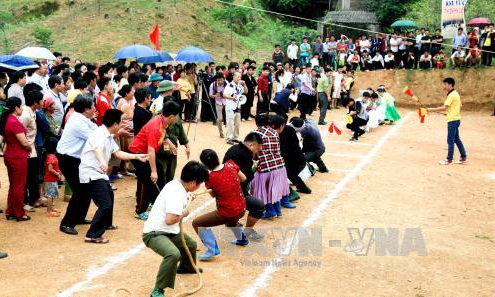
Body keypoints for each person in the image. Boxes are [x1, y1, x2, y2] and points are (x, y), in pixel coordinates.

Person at [80, 109, 149, 244]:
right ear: (115, 124)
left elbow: (117, 153)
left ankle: (106, 223)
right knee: (105, 203)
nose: (122, 125)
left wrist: (136, 156)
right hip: (91, 173)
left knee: (109, 196)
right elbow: (97, 149)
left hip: (98, 173)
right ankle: (93, 235)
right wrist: (102, 162)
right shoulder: (99, 134)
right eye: (120, 122)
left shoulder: (108, 135)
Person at [143, 161, 209, 297]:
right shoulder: (177, 192)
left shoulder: (177, 185)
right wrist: (184, 214)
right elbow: (170, 220)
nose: (199, 186)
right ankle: (158, 290)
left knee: (190, 245)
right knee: (173, 254)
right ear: (193, 183)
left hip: (170, 231)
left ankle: (187, 267)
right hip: (155, 233)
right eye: (199, 183)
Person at [128, 101, 181, 220]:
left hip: (147, 153)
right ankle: (140, 210)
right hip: (139, 154)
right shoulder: (155, 126)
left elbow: (163, 135)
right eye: (178, 115)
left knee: (160, 175)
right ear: (172, 116)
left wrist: (170, 144)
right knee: (146, 180)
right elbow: (151, 150)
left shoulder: (162, 120)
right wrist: (153, 171)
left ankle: (155, 202)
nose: (178, 118)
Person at [193, 149, 249, 261]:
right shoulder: (231, 165)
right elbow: (243, 178)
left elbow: (213, 195)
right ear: (217, 158)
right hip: (242, 207)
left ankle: (212, 249)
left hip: (229, 212)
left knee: (197, 223)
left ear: (205, 165)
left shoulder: (210, 178)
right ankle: (242, 239)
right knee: (232, 218)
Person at [57, 95, 98, 235]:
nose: (94, 108)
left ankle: (79, 217)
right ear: (86, 109)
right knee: (80, 190)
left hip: (75, 159)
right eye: (93, 106)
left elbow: (97, 129)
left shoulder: (82, 118)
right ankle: (66, 223)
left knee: (86, 188)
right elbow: (95, 136)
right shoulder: (77, 122)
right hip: (68, 159)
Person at [223, 132, 265, 241]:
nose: (257, 152)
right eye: (257, 149)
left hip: (226, 189)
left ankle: (231, 221)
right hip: (235, 192)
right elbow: (246, 177)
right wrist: (254, 168)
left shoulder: (234, 148)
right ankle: (247, 232)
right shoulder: (245, 155)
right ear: (251, 145)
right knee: (258, 206)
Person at [251, 114, 291, 219]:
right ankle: (277, 211)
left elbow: (254, 152)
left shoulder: (255, 134)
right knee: (275, 188)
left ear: (256, 122)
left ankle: (270, 211)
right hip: (279, 166)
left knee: (263, 189)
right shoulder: (274, 132)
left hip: (265, 166)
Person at [1, 97, 31, 221]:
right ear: (16, 108)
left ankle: (11, 210)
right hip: (18, 156)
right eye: (20, 106)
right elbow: (24, 142)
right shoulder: (14, 122)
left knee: (14, 185)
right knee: (19, 186)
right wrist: (30, 148)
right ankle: (18, 213)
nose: (22, 108)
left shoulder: (8, 119)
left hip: (10, 154)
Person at [427, 78, 467, 165]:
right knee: (456, 139)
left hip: (453, 121)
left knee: (450, 140)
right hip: (455, 119)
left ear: (450, 85)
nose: (444, 86)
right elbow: (457, 107)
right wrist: (449, 113)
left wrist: (431, 109)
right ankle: (463, 157)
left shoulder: (452, 95)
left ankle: (449, 159)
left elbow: (445, 107)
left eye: (445, 84)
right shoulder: (455, 94)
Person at [270, 115, 311, 195]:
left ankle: (295, 192)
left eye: (277, 129)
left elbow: (291, 148)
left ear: (282, 125)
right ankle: (302, 189)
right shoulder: (276, 132)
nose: (275, 131)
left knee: (289, 174)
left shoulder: (289, 131)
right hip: (288, 158)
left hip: (295, 159)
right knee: (289, 174)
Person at [19, 90, 44, 211]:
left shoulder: (33, 112)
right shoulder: (25, 115)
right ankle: (24, 202)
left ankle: (33, 199)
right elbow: (19, 133)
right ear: (35, 102)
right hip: (26, 149)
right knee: (26, 177)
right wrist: (26, 147)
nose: (43, 102)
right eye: (41, 100)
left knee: (32, 176)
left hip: (32, 149)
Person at [223, 72, 246, 145]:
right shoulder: (229, 85)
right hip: (230, 106)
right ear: (234, 77)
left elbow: (246, 92)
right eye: (237, 77)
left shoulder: (239, 86)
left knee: (237, 123)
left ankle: (235, 137)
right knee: (230, 123)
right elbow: (224, 95)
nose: (239, 78)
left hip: (238, 106)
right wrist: (232, 98)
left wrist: (244, 84)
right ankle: (229, 138)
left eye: (240, 77)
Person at [43, 137, 62, 217]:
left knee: (52, 194)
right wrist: (57, 173)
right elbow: (50, 168)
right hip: (50, 180)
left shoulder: (50, 156)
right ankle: (49, 211)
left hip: (51, 179)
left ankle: (51, 208)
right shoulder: (52, 157)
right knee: (50, 195)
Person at [209, 73, 227, 138]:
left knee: (229, 118)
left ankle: (229, 132)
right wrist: (216, 95)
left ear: (223, 79)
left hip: (227, 102)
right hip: (218, 102)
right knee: (219, 119)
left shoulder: (227, 83)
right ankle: (221, 133)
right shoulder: (212, 85)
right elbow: (210, 95)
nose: (220, 82)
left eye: (221, 80)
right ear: (216, 80)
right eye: (218, 80)